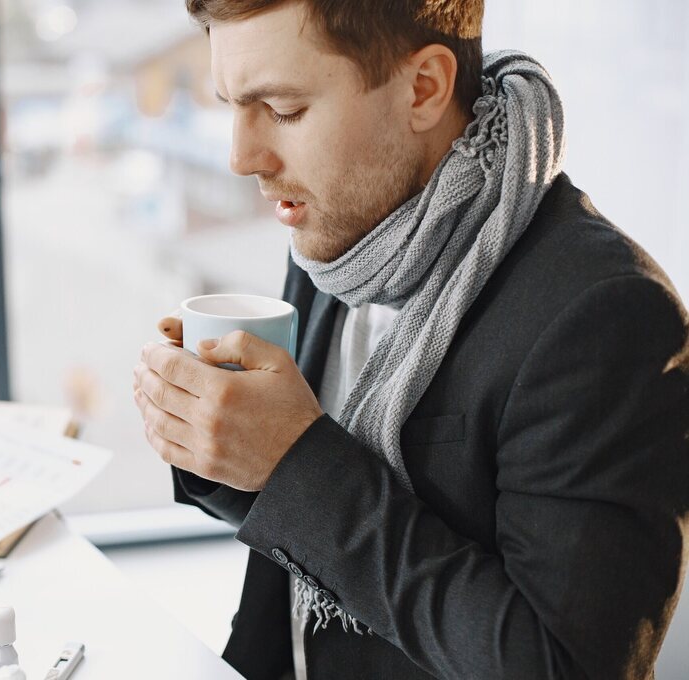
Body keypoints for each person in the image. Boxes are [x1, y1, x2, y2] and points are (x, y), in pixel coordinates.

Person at [130, 1, 689, 678]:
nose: (241, 157)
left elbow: (561, 666)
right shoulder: (338, 231)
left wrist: (296, 463)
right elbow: (295, 528)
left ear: (423, 87)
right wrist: (218, 434)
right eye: (232, 104)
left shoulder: (608, 318)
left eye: (282, 110)